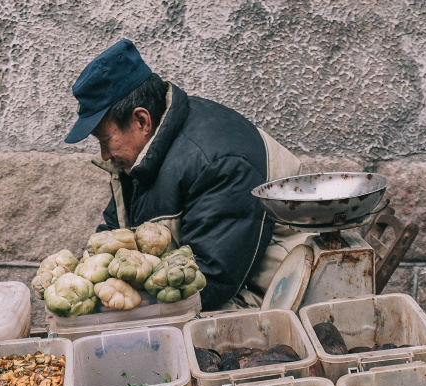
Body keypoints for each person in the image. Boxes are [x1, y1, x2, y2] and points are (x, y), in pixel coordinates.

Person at [66, 39, 305, 311]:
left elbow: (210, 280)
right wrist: (86, 274)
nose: (105, 154)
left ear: (141, 121)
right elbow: (117, 230)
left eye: (105, 139)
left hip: (269, 296)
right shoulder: (144, 153)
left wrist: (119, 304)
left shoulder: (218, 162)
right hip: (215, 287)